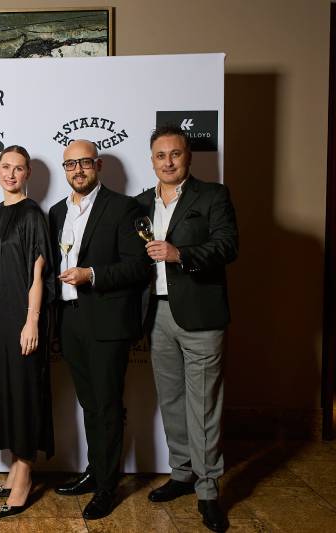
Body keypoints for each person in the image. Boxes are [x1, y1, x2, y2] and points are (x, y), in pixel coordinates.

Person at [136, 125, 238, 533]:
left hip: (201, 317)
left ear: (188, 157)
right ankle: (182, 473)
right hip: (157, 315)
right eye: (161, 155)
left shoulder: (213, 196)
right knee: (172, 399)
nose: (168, 162)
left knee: (204, 406)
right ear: (152, 160)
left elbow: (228, 246)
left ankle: (208, 490)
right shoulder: (141, 203)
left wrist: (181, 254)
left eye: (175, 154)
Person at [48, 139, 151, 520]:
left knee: (107, 406)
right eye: (70, 164)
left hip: (107, 321)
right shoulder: (57, 212)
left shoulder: (124, 208)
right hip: (70, 319)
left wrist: (91, 274)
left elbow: (138, 266)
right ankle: (96, 471)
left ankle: (107, 487)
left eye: (85, 163)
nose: (78, 170)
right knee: (90, 404)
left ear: (99, 165)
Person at [0, 145, 54, 519]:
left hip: (22, 318)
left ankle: (25, 475)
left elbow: (38, 273)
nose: (11, 174)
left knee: (25, 393)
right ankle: (14, 469)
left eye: (19, 168)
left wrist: (32, 320)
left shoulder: (32, 215)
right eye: (5, 167)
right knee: (8, 392)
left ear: (28, 174)